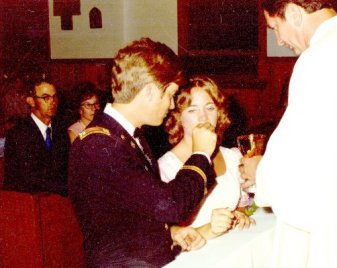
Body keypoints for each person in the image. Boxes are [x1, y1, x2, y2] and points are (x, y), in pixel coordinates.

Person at [239, 0, 337, 267]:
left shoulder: (319, 58)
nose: (278, 40)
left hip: (336, 232)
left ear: (293, 12)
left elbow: (300, 168)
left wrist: (260, 171)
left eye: (275, 27)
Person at [68, 38, 218, 268]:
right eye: (170, 95)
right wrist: (201, 155)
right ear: (149, 91)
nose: (170, 105)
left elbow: (133, 210)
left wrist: (169, 233)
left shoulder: (126, 136)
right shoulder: (99, 145)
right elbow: (171, 205)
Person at [159, 76, 254, 241]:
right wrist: (208, 228)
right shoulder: (165, 168)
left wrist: (238, 214)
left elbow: (243, 204)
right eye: (192, 110)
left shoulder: (231, 156)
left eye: (210, 108)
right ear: (178, 117)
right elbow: (164, 235)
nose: (203, 117)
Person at [4, 79, 69, 196]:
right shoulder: (18, 134)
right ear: (31, 101)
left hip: (55, 199)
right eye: (46, 98)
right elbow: (30, 178)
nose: (53, 102)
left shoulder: (61, 132)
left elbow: (66, 169)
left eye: (54, 97)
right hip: (26, 201)